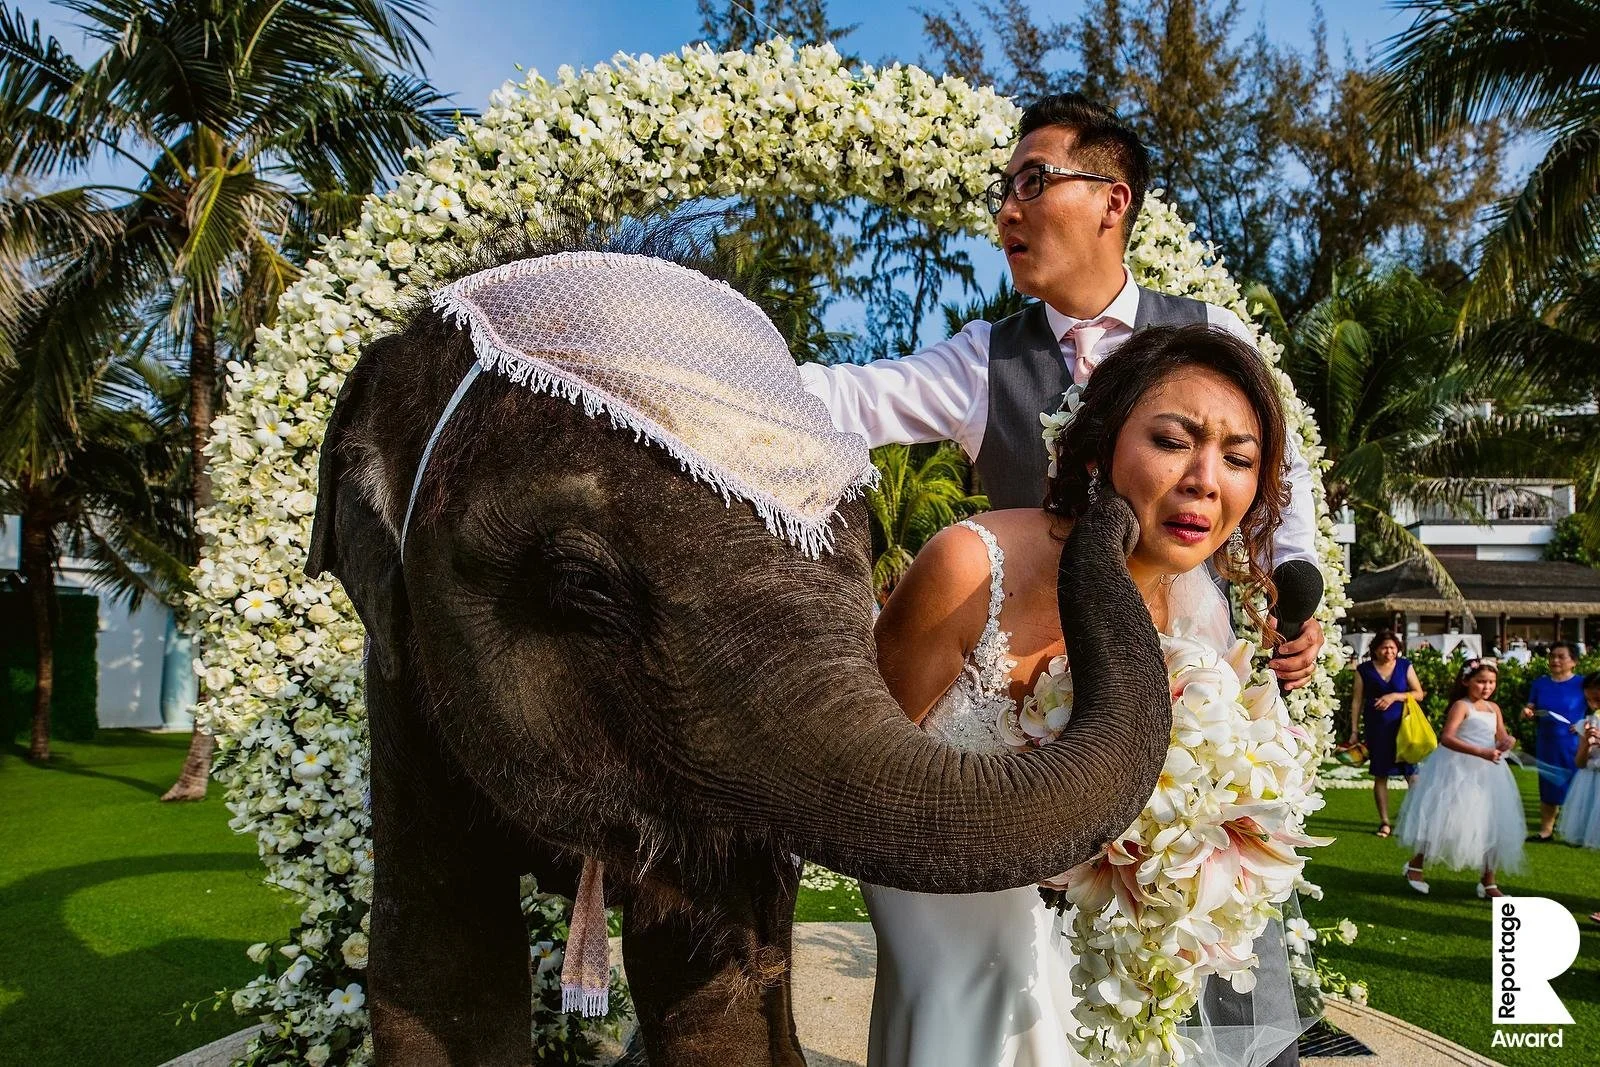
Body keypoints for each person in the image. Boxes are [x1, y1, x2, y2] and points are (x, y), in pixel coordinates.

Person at [864, 325, 1306, 1066]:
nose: (1205, 477)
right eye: (1173, 440)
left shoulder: (1197, 609)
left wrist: (1163, 865)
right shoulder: (971, 567)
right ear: (1099, 448)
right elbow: (858, 770)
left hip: (1093, 964)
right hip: (946, 932)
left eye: (1238, 459)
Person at [798, 92, 1326, 690]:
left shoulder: (1211, 332)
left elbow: (1282, 475)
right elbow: (844, 399)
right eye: (1003, 192)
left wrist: (1290, 578)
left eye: (1032, 182)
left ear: (1112, 201)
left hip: (1189, 669)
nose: (1006, 213)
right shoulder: (981, 360)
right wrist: (702, 360)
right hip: (1031, 690)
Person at [1395, 660, 1525, 898]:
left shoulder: (1493, 708)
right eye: (1481, 681)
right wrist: (1482, 752)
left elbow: (1500, 736)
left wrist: (1506, 743)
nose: (1486, 687)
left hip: (1489, 774)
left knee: (1492, 823)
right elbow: (1447, 738)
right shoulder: (1462, 706)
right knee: (1443, 821)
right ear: (1466, 681)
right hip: (1457, 770)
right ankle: (1415, 866)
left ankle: (1488, 881)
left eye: (1491, 682)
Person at [1346, 631, 1425, 837]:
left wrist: (1395, 696)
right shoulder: (1364, 669)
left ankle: (1416, 820)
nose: (1389, 651)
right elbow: (1357, 701)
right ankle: (1385, 822)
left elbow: (1419, 693)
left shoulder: (1404, 666)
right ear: (1375, 649)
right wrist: (1354, 730)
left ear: (1398, 648)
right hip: (1377, 729)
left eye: (1392, 647)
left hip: (1403, 728)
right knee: (1380, 775)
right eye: (1384, 647)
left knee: (1412, 773)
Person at [1522, 640, 1586, 841]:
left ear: (1573, 661)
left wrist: (1583, 724)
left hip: (1574, 743)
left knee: (1576, 785)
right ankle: (1546, 830)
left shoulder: (1582, 684)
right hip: (1547, 741)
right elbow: (1530, 706)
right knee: (1548, 783)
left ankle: (1577, 831)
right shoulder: (1540, 683)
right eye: (1552, 656)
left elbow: (1596, 707)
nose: (1555, 660)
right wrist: (1527, 711)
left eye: (1561, 657)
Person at [1554, 672, 1600, 849]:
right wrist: (1587, 745)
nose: (1593, 705)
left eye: (1598, 699)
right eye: (1589, 700)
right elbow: (1580, 763)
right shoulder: (1586, 723)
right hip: (1590, 781)